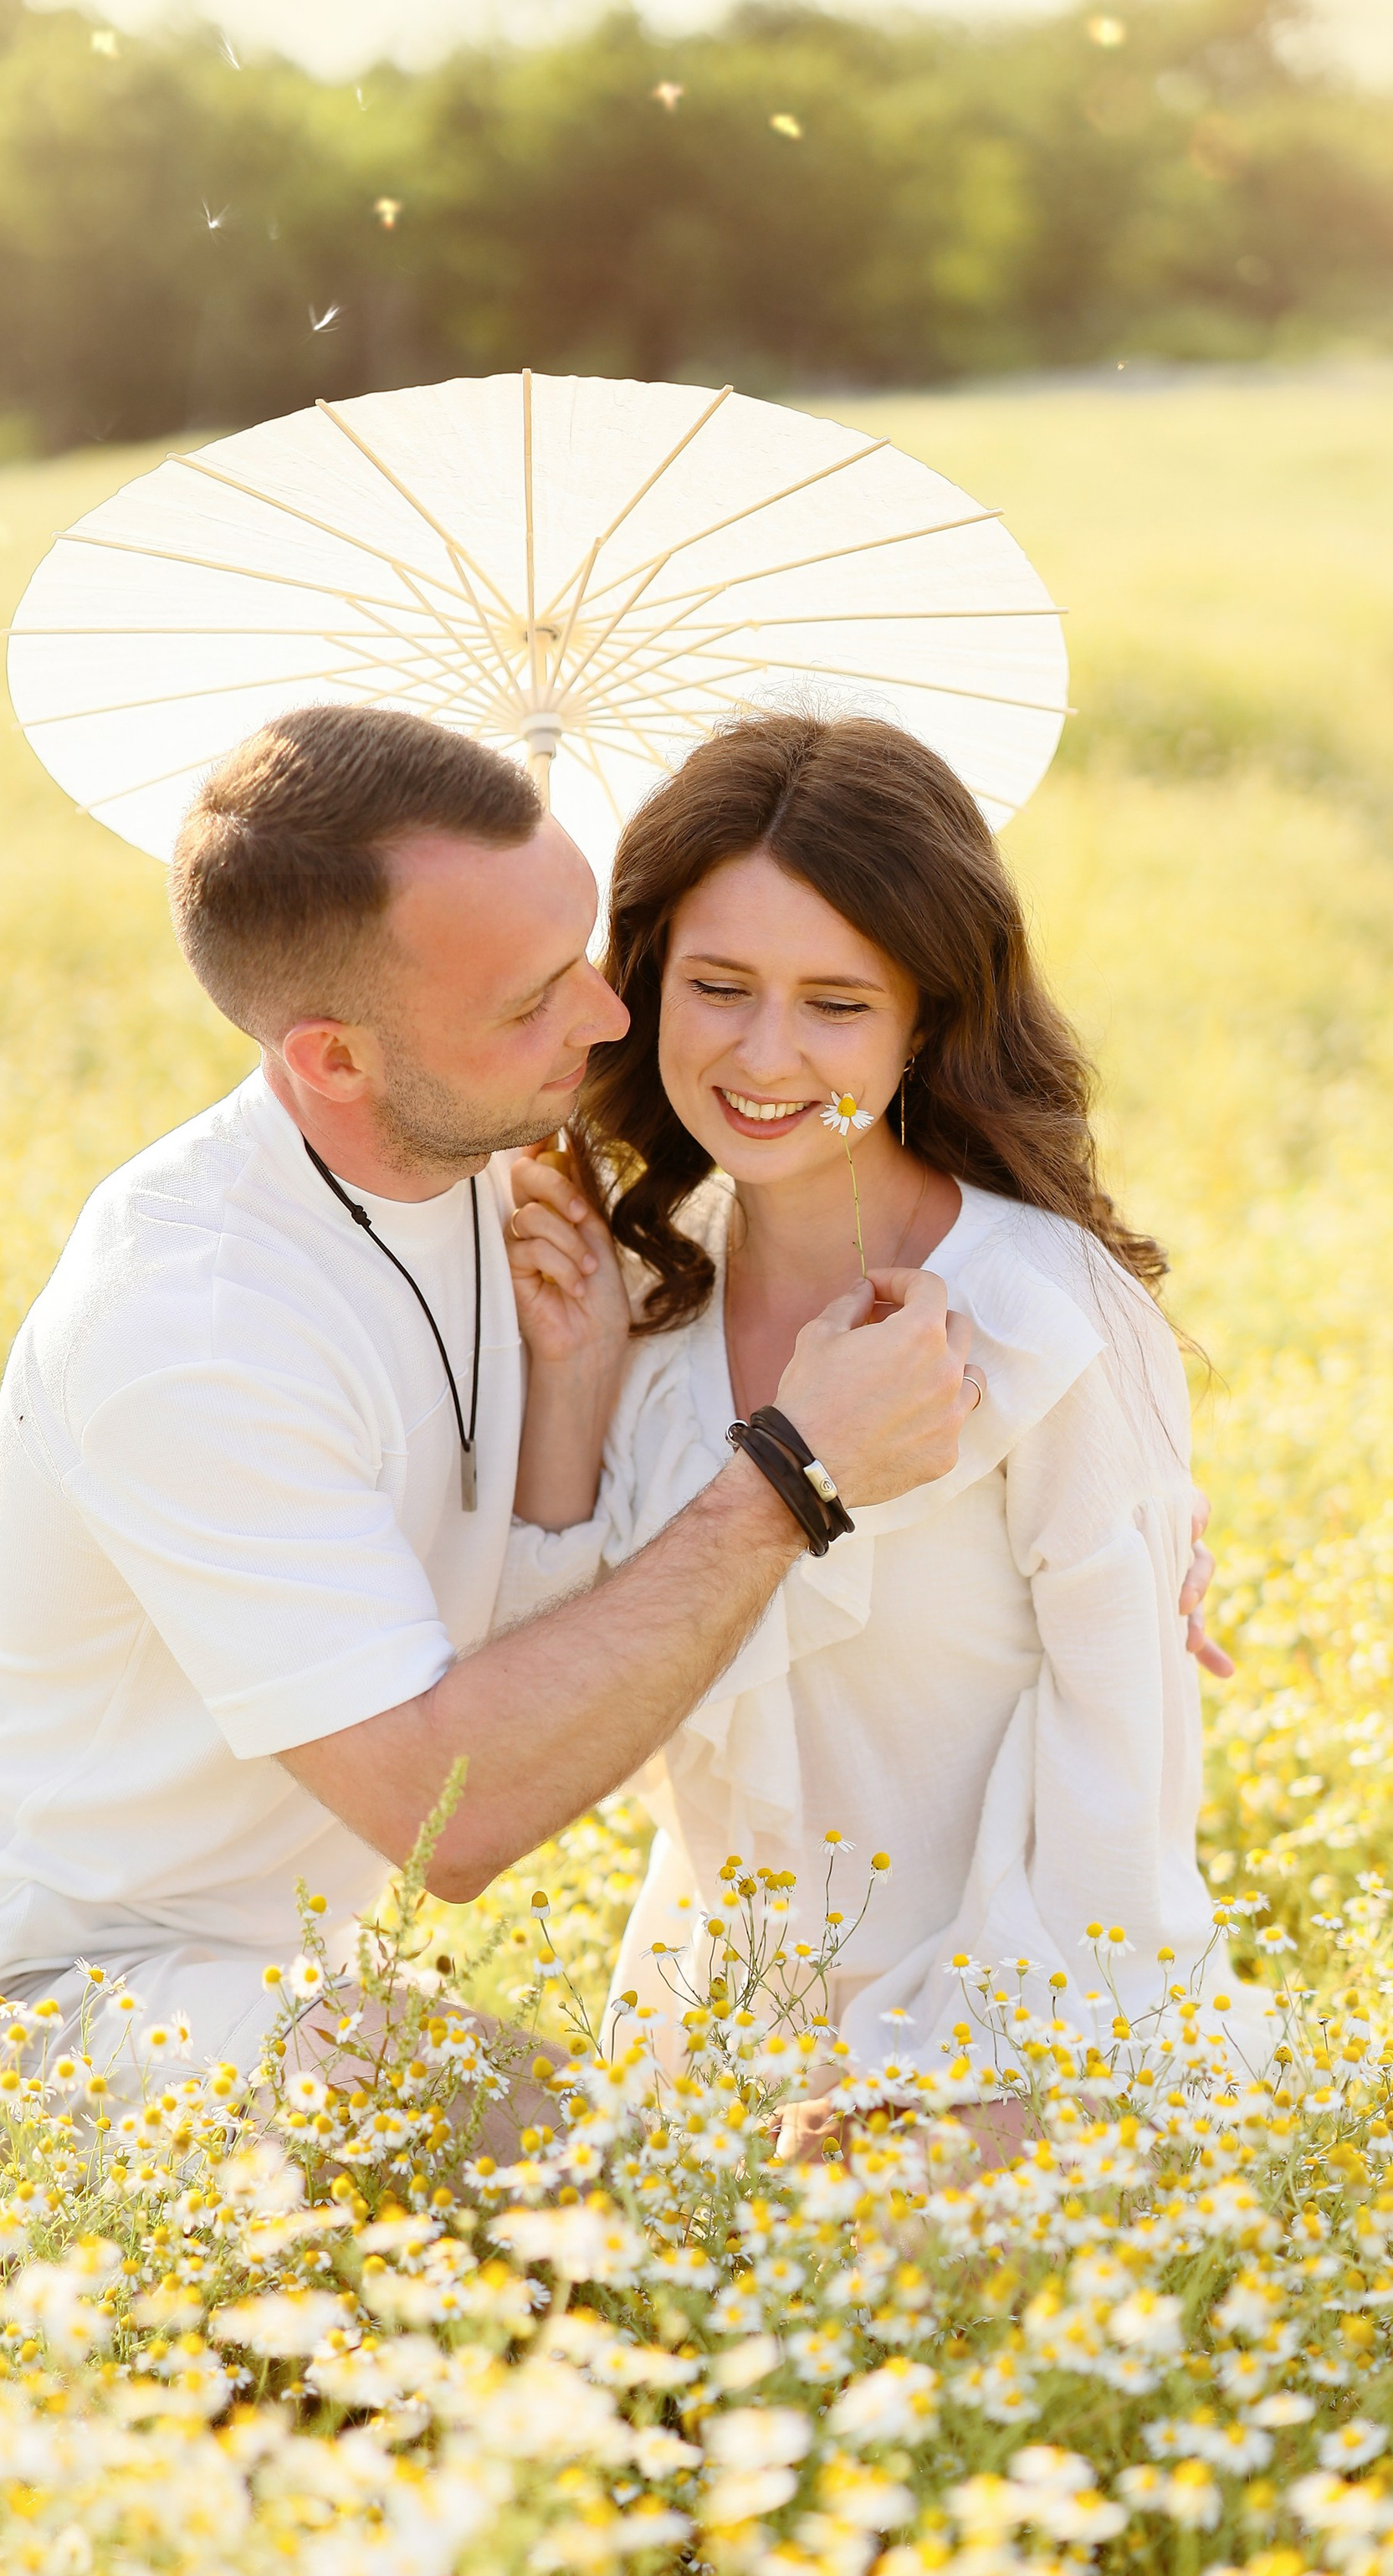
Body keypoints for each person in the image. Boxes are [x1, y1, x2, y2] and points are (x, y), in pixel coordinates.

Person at [0, 706, 981, 2145]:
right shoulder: (194, 1331)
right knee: (612, 2189)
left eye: (583, 951)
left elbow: (765, 1269)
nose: (606, 1018)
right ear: (336, 1062)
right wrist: (795, 1473)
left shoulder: (492, 1144)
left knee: (646, 2199)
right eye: (531, 998)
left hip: (262, 1987)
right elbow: (445, 1819)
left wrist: (1094, 1500)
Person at [504, 711, 1265, 2111]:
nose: (765, 1057)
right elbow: (552, 1707)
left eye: (838, 1005)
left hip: (1029, 2046)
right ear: (645, 981)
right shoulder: (640, 1302)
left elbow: (1120, 1808)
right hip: (711, 2048)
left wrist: (937, 2098)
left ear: (928, 1020)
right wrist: (568, 1380)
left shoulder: (1043, 1312)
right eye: (718, 985)